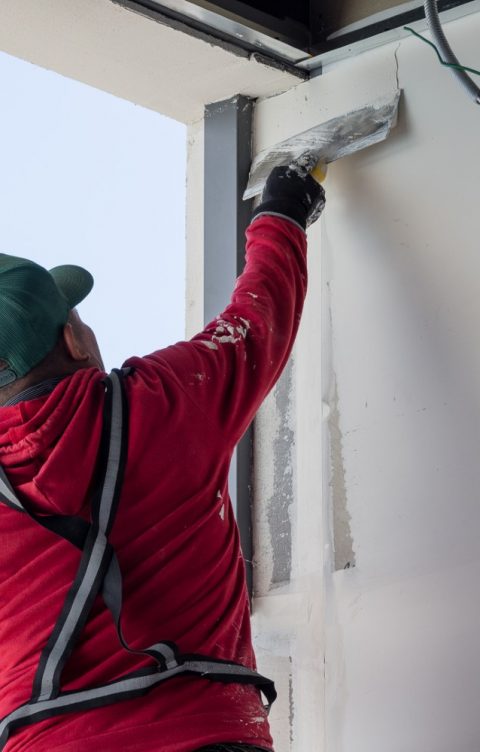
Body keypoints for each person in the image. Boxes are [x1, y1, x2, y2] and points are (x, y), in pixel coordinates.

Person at [0, 155, 325, 752]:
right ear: (73, 339)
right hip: (200, 734)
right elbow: (258, 316)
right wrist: (284, 208)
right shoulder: (159, 401)